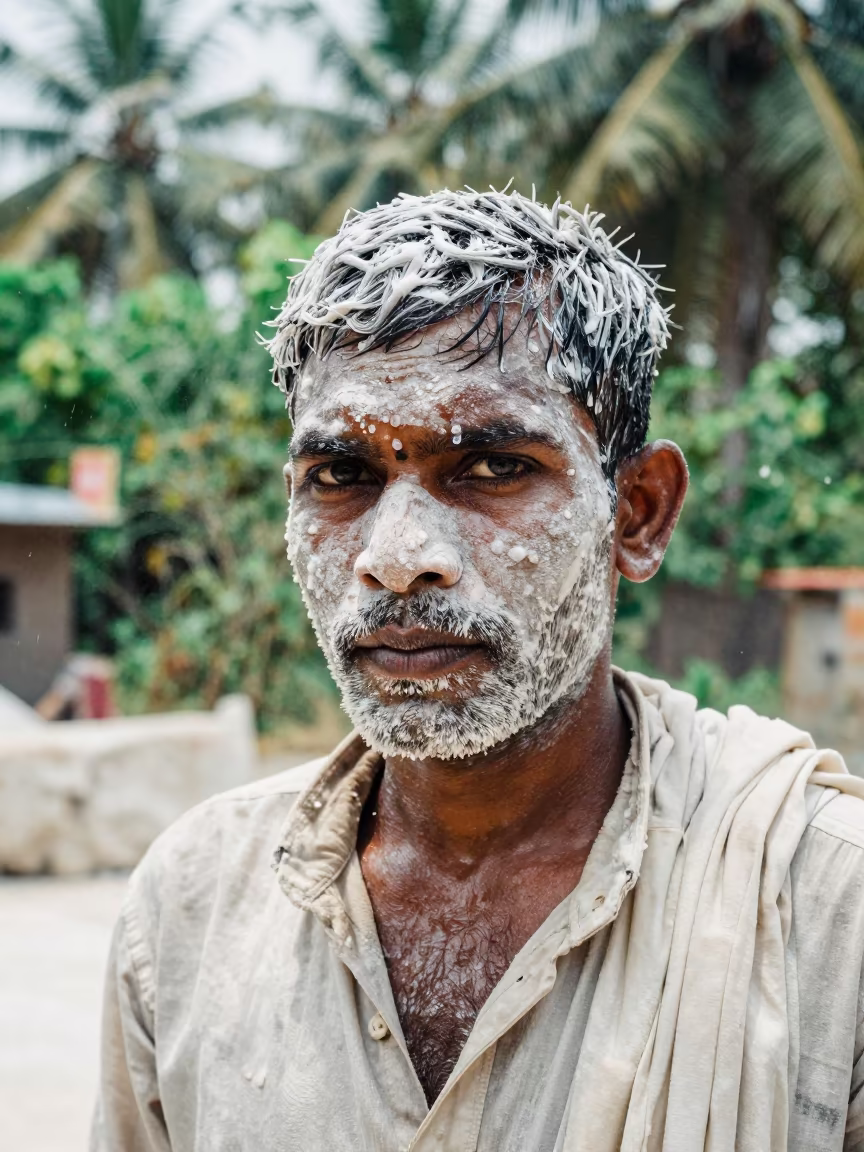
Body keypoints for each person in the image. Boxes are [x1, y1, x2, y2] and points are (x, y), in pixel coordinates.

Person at [92, 188, 864, 1152]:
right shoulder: (192, 907)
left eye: (493, 466)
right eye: (342, 476)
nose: (399, 554)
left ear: (637, 512)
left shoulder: (831, 915)